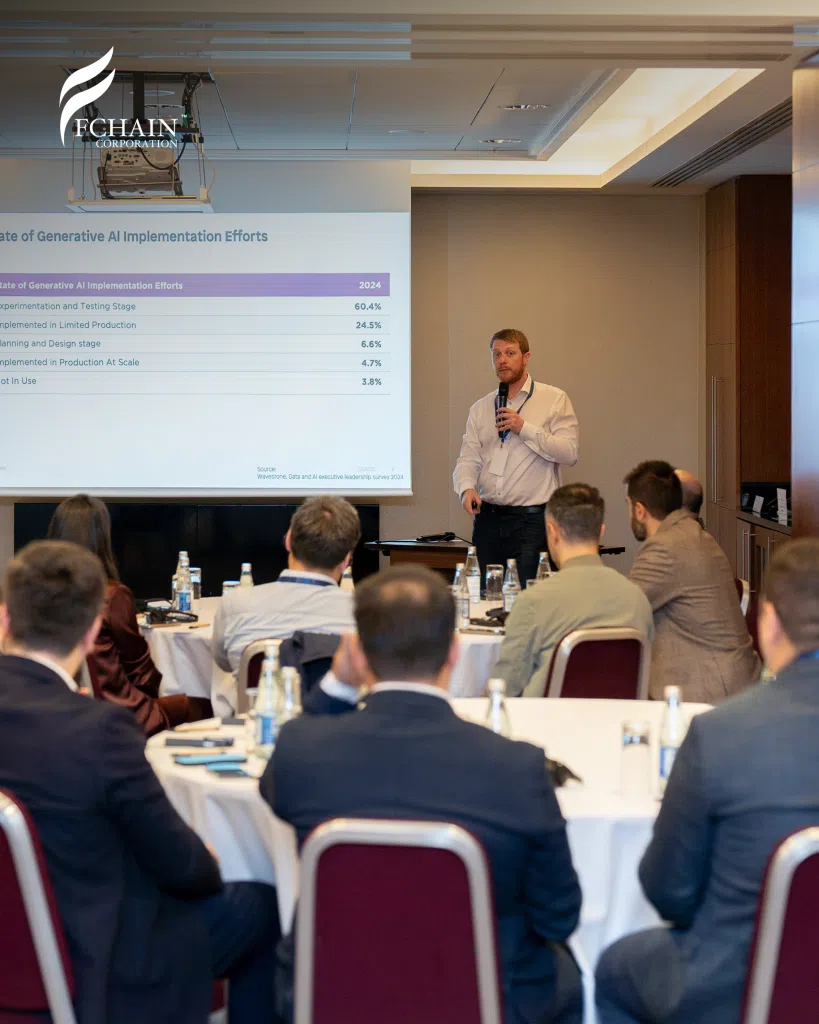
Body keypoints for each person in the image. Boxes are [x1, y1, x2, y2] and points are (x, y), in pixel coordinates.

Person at [261, 565, 583, 1024]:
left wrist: (336, 686)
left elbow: (273, 780)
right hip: (486, 1001)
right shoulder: (517, 767)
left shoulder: (304, 752)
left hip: (331, 994)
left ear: (359, 653)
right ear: (454, 651)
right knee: (569, 972)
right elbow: (559, 917)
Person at [0, 540, 279, 1024]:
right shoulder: (98, 731)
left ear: (4, 619)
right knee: (260, 903)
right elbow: (184, 869)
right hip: (97, 955)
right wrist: (206, 858)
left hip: (14, 947)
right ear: (92, 632)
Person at [596, 538, 819, 1024]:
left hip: (734, 982)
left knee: (613, 969)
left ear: (768, 623)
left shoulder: (720, 733)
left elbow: (669, 891)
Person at [47, 494, 210, 736]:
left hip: (65, 713)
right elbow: (140, 671)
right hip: (121, 713)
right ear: (102, 538)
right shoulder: (112, 596)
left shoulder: (41, 594)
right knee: (205, 705)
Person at [492, 483, 653, 696]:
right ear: (601, 531)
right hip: (618, 716)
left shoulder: (534, 601)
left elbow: (503, 689)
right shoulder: (636, 598)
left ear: (552, 532)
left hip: (548, 717)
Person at [625, 460, 758, 703]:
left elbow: (623, 612)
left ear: (640, 510)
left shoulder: (665, 547)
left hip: (709, 691)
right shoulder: (695, 534)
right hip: (735, 680)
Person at [453, 328, 579, 583]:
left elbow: (569, 452)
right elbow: (468, 458)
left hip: (531, 522)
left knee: (528, 597)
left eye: (510, 353)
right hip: (488, 520)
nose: (502, 360)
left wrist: (524, 428)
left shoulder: (554, 399)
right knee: (485, 594)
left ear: (526, 357)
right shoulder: (480, 408)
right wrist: (466, 489)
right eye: (497, 354)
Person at [212, 495, 360, 685]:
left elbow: (223, 663)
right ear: (346, 560)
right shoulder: (365, 615)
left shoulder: (236, 603)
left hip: (259, 705)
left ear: (288, 540)